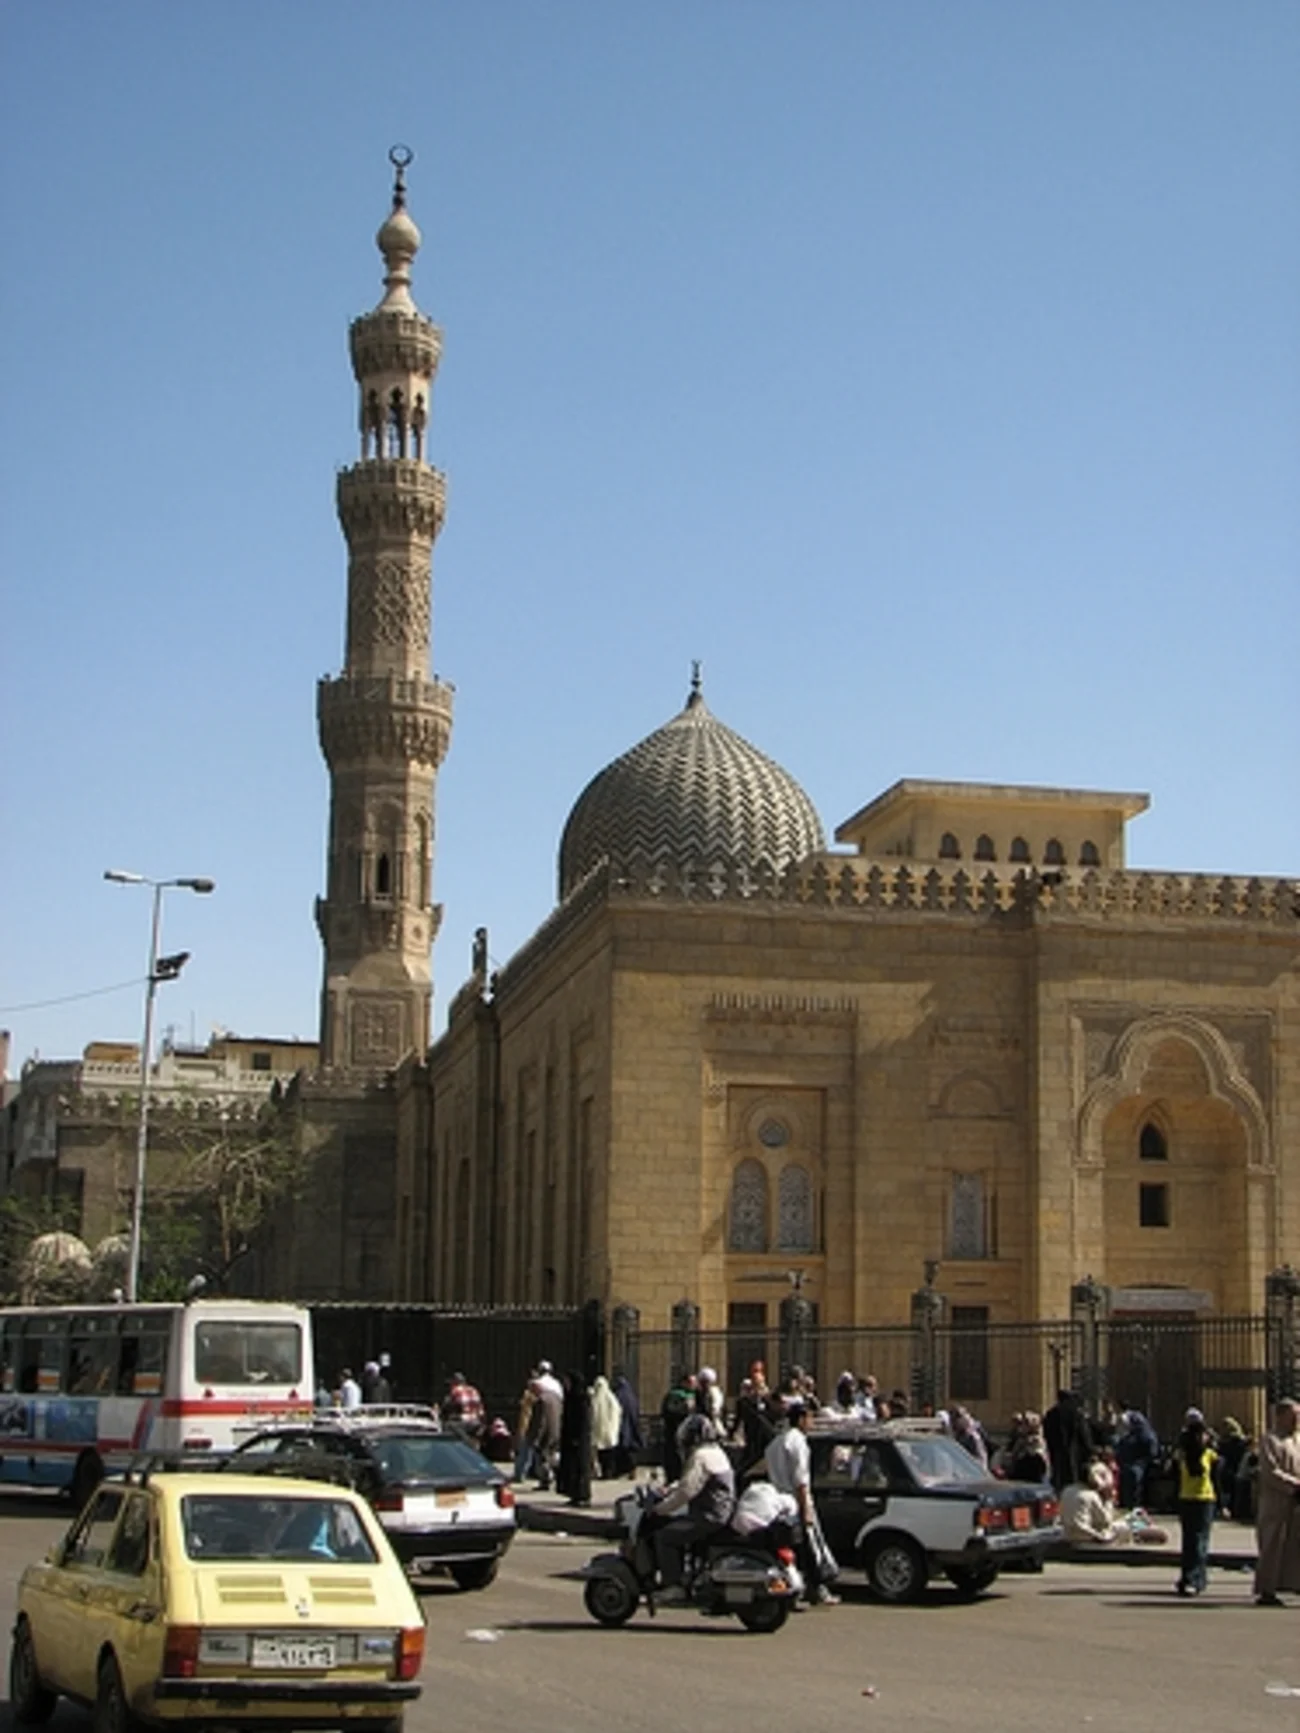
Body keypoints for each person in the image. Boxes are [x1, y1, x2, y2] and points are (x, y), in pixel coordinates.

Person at [764, 1399, 840, 1606]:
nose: (812, 1422)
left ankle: (798, 1587)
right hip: (796, 1501)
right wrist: (805, 1508)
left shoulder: (776, 1442)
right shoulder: (798, 1442)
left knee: (789, 1547)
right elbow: (801, 1480)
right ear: (800, 1419)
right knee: (810, 1548)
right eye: (810, 1418)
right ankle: (816, 1588)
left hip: (777, 1502)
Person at [652, 1415, 736, 1600]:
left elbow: (686, 1492)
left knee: (666, 1536)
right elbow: (691, 1482)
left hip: (708, 1516)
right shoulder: (717, 1453)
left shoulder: (700, 1456)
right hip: (722, 1513)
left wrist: (661, 1508)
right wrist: (671, 1488)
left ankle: (673, 1585)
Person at [1253, 1398, 1300, 1606]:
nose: (1297, 1420)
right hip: (1276, 1502)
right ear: (1280, 1416)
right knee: (1273, 1544)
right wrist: (1294, 1485)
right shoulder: (1269, 1440)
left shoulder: (1297, 1440)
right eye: (1293, 1415)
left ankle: (1294, 1583)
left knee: (1294, 1546)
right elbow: (1270, 1472)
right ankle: (1267, 1590)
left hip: (1296, 1503)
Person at [1173, 1408, 1218, 1597]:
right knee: (1197, 1541)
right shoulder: (1204, 1455)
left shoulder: (1186, 1455)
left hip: (1193, 1498)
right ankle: (1193, 1578)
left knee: (1194, 1541)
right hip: (1199, 1499)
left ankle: (1193, 1577)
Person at [1043, 1389, 1092, 1493]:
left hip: (1056, 1450)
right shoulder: (1076, 1414)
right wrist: (1089, 1449)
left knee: (1058, 1474)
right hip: (1074, 1451)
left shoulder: (1051, 1414)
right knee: (1073, 1475)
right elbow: (1083, 1434)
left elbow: (1046, 1433)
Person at [556, 1368, 592, 1506]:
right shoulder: (570, 1397)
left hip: (579, 1440)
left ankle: (583, 1496)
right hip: (570, 1440)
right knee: (571, 1468)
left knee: (580, 1468)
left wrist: (578, 1438)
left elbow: (584, 1421)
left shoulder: (582, 1399)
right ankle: (574, 1494)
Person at [1114, 1408, 1160, 1510]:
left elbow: (1152, 1450)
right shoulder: (1128, 1434)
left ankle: (1135, 1504)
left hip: (1139, 1464)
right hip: (1127, 1463)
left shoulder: (1144, 1434)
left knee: (1133, 1476)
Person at [527, 1374, 562, 1490]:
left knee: (543, 1458)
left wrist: (536, 1437)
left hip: (546, 1433)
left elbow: (540, 1421)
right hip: (556, 1430)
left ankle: (545, 1481)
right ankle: (555, 1478)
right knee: (552, 1456)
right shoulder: (556, 1397)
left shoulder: (541, 1400)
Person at [660, 1375, 695, 1483]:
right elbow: (670, 1412)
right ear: (684, 1382)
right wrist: (686, 1410)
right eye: (691, 1382)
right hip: (674, 1432)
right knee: (674, 1458)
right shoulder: (674, 1395)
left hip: (686, 1434)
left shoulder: (692, 1395)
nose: (693, 1385)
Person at [611, 1367, 643, 1477]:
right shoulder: (630, 1394)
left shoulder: (619, 1394)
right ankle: (631, 1469)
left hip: (623, 1423)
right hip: (631, 1422)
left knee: (623, 1447)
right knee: (629, 1447)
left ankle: (623, 1470)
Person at [590, 1373, 622, 1479]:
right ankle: (605, 1472)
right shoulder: (604, 1398)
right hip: (604, 1431)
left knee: (607, 1454)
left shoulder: (609, 1399)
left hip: (607, 1431)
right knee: (603, 1454)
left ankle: (609, 1472)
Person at [443, 1372, 484, 1438]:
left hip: (464, 1423)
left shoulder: (455, 1390)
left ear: (454, 1383)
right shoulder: (473, 1390)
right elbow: (481, 1410)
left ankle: (465, 1443)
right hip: (477, 1422)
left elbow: (446, 1407)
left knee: (448, 1426)